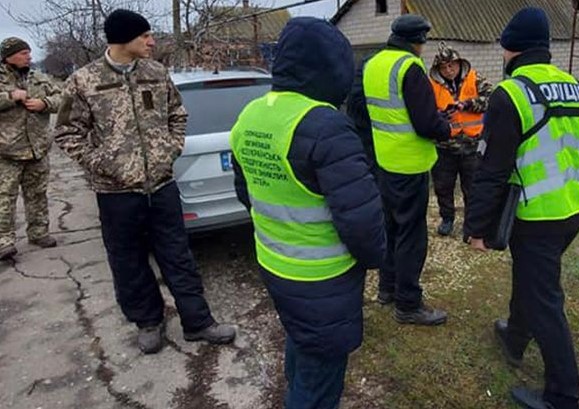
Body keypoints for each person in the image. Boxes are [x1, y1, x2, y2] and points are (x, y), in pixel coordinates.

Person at [53, 9, 235, 354]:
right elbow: (66, 133)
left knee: (178, 255)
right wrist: (102, 164)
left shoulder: (156, 72)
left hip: (162, 184)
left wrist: (171, 148)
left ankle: (198, 322)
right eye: (145, 36)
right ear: (124, 38)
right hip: (116, 192)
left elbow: (177, 114)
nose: (151, 41)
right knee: (128, 259)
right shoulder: (84, 80)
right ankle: (148, 322)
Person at [230, 17, 386, 408]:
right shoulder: (326, 126)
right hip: (323, 278)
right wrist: (377, 258)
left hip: (275, 263)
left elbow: (245, 192)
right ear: (332, 68)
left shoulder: (250, 114)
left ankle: (294, 389)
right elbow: (362, 222)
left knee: (302, 343)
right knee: (320, 381)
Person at [464, 8, 579, 409]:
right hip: (575, 209)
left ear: (511, 48)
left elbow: (492, 169)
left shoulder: (510, 94)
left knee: (544, 299)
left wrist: (476, 228)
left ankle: (563, 395)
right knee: (532, 279)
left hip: (536, 217)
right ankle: (514, 337)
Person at [348, 14, 451, 326]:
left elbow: (358, 110)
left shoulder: (371, 63)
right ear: (418, 41)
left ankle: (387, 288)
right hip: (409, 164)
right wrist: (446, 128)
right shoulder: (410, 67)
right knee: (411, 235)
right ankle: (408, 304)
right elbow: (426, 123)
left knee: (390, 228)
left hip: (382, 161)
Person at [0, 37, 61, 260]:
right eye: (23, 53)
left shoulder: (38, 77)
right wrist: (9, 97)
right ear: (9, 57)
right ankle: (4, 241)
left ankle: (38, 232)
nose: (29, 56)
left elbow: (63, 98)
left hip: (37, 148)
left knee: (37, 194)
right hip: (7, 151)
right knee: (4, 198)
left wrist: (45, 104)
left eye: (28, 52)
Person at [428, 42, 493, 237]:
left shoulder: (475, 78)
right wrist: (438, 115)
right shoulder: (431, 85)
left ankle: (471, 224)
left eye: (452, 65)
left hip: (471, 145)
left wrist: (469, 104)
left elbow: (492, 99)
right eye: (444, 67)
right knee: (443, 186)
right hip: (444, 146)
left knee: (472, 187)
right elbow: (424, 109)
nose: (449, 70)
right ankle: (447, 218)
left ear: (459, 64)